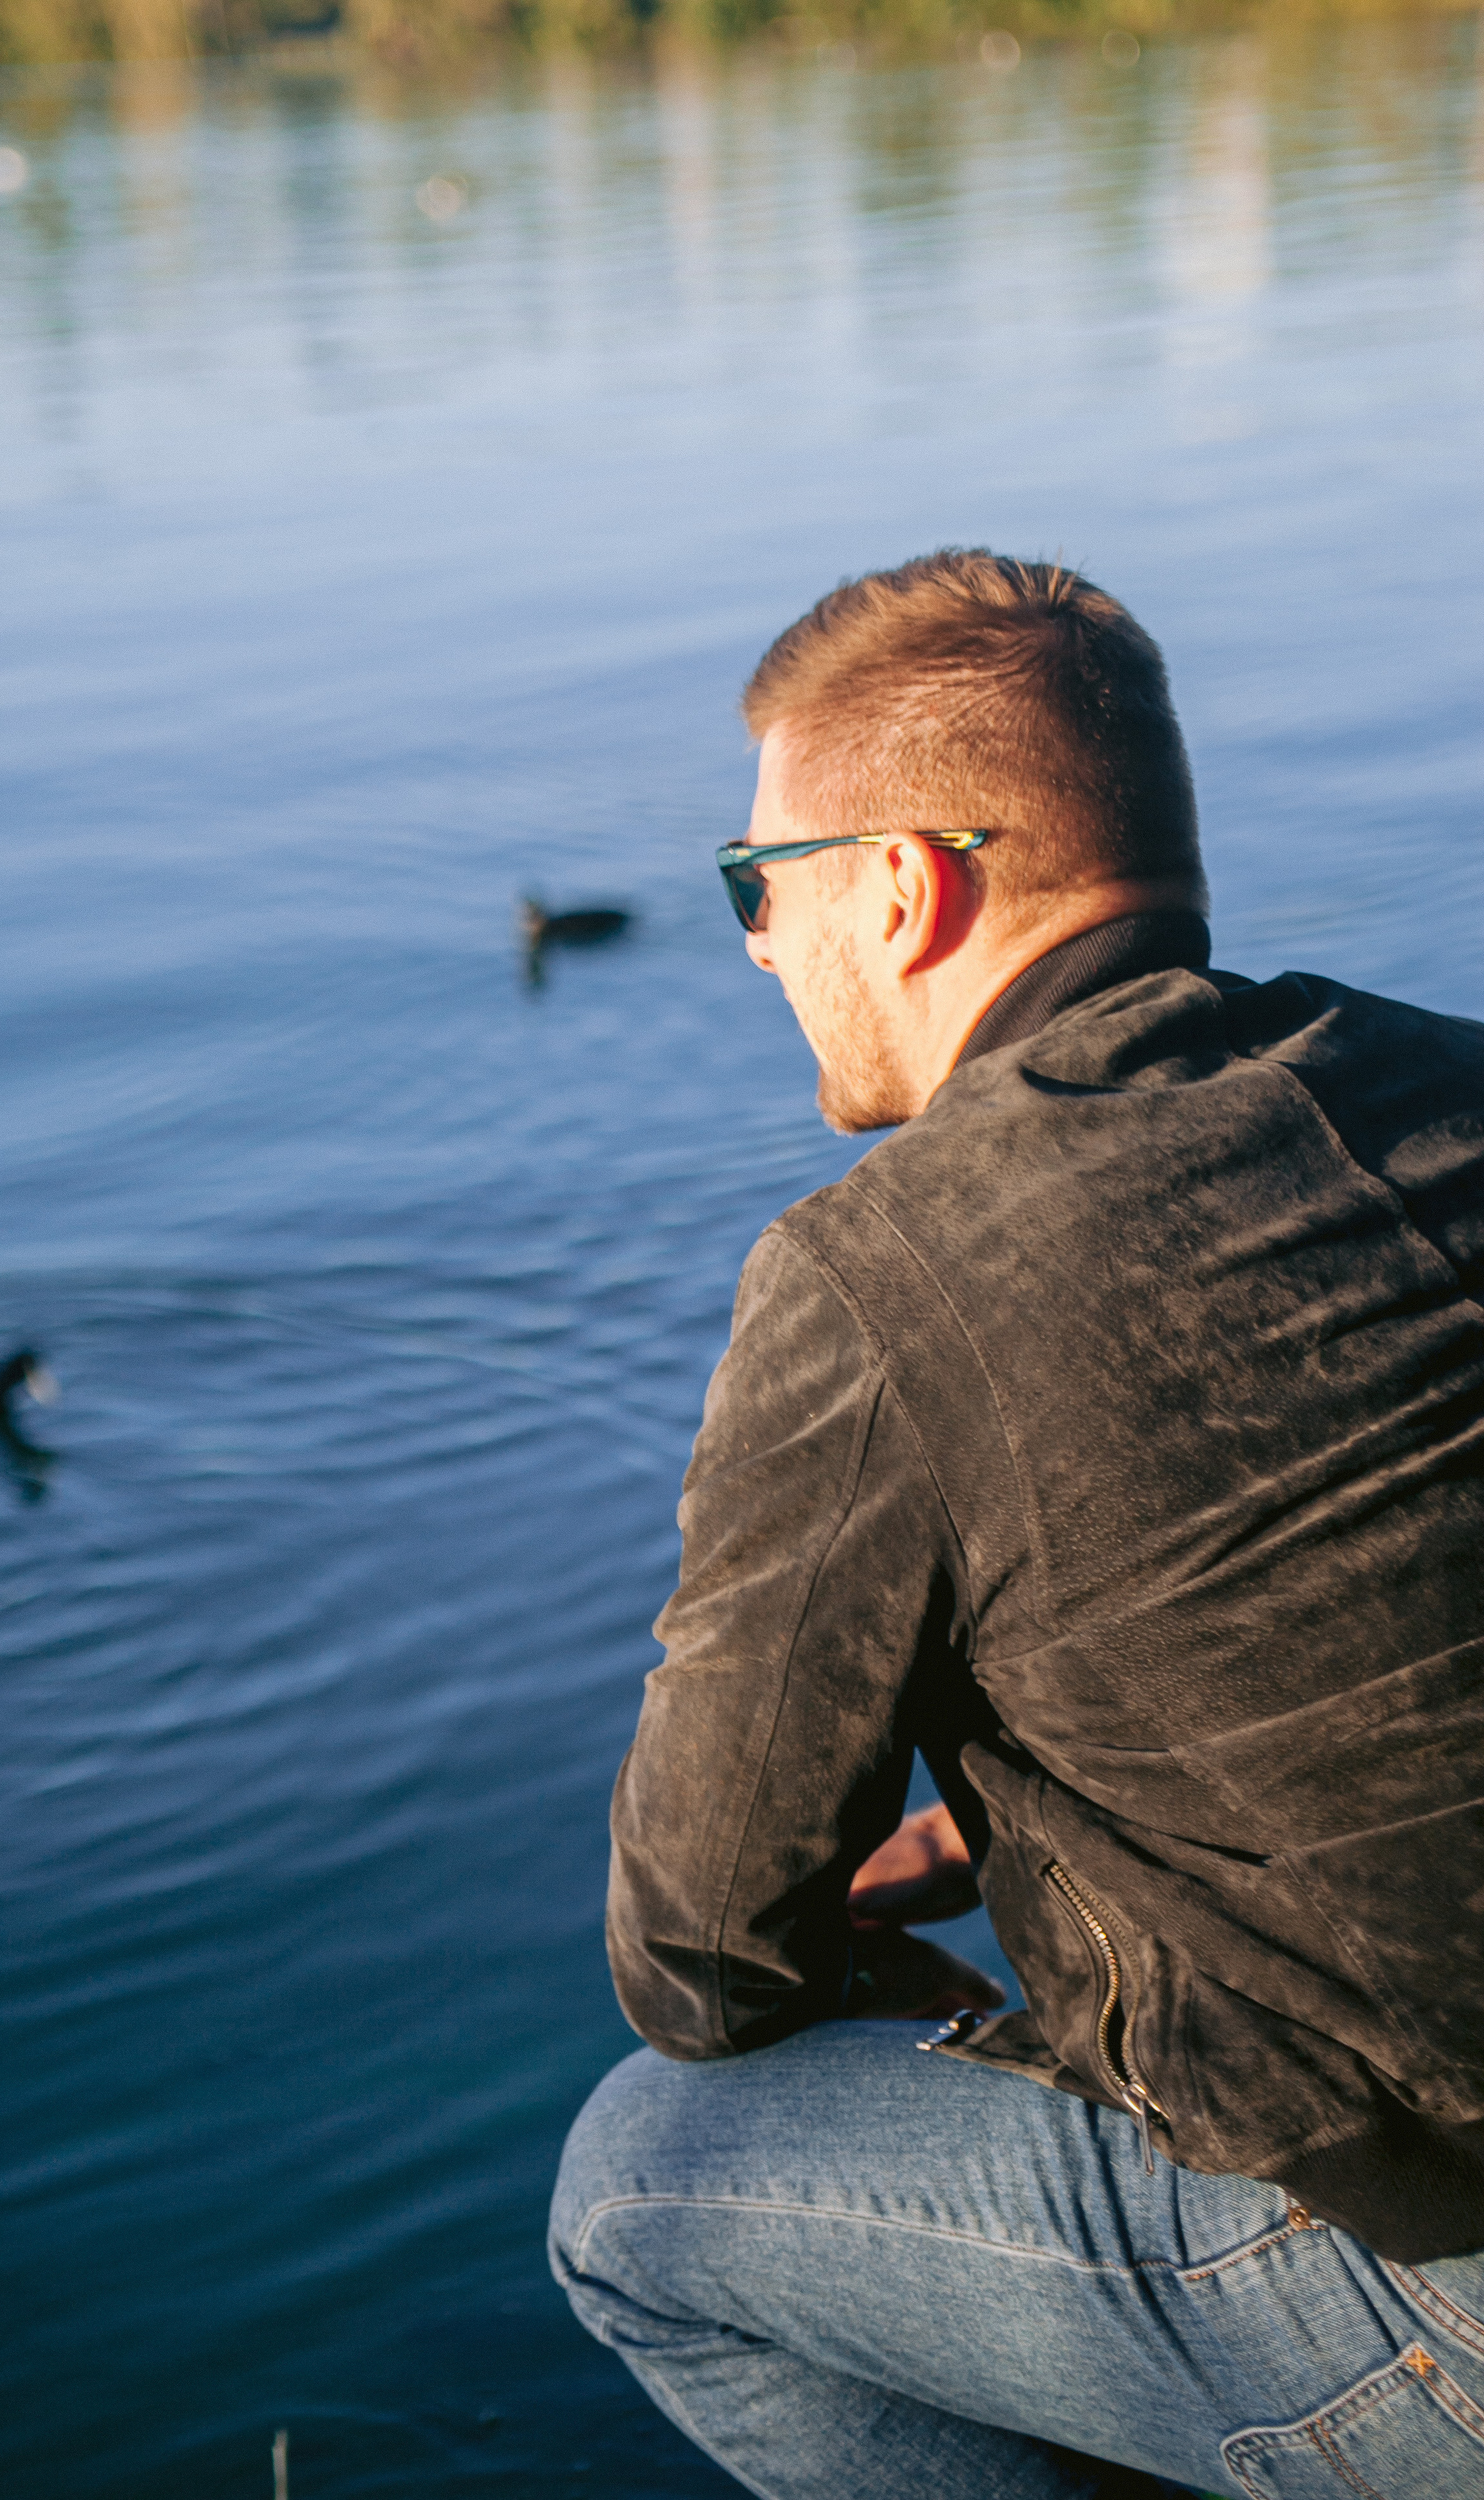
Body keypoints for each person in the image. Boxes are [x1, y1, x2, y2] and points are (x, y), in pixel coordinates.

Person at [548, 550, 1484, 2499]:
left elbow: (700, 1958)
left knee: (643, 2183)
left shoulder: (878, 1277)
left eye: (759, 884)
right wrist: (1011, 1821)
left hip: (1454, 2306)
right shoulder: (1440, 1083)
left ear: (902, 890)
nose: (749, 945)